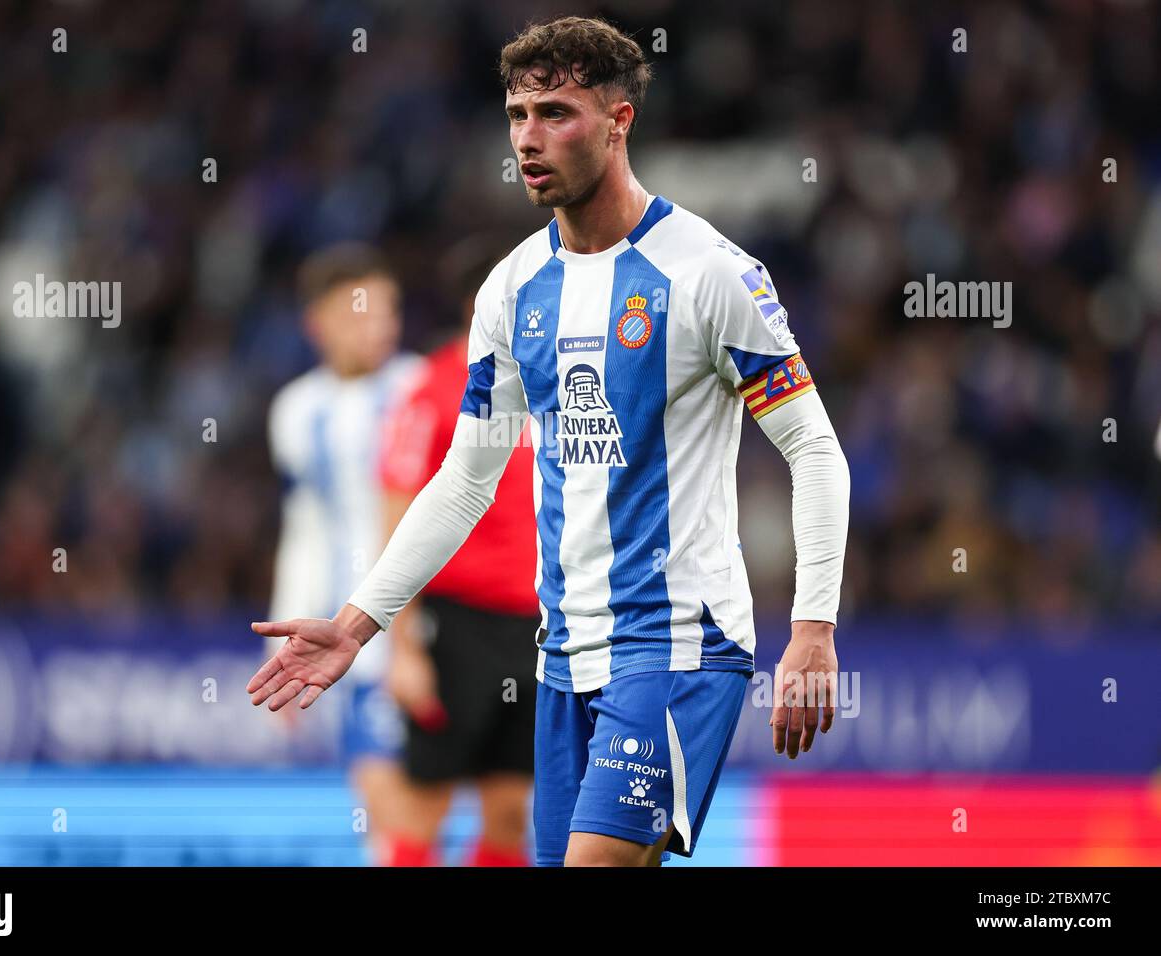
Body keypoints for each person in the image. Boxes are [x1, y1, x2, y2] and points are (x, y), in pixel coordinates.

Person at [249, 16, 850, 867]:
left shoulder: (712, 274)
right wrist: (358, 624)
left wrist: (814, 626)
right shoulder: (513, 290)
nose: (528, 139)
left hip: (678, 643)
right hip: (562, 656)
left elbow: (815, 449)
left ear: (618, 121)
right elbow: (465, 481)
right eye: (517, 115)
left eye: (556, 113)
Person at [379, 238, 539, 867]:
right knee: (426, 802)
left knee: (509, 808)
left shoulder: (561, 385)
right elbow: (397, 512)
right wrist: (404, 644)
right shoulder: (434, 387)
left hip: (539, 625)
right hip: (457, 622)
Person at [264, 242, 420, 865]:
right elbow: (305, 531)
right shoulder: (296, 413)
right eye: (359, 313)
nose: (377, 326)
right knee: (386, 810)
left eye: (387, 311)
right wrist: (280, 641)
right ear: (317, 325)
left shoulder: (425, 388)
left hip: (445, 631)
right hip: (359, 643)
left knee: (501, 805)